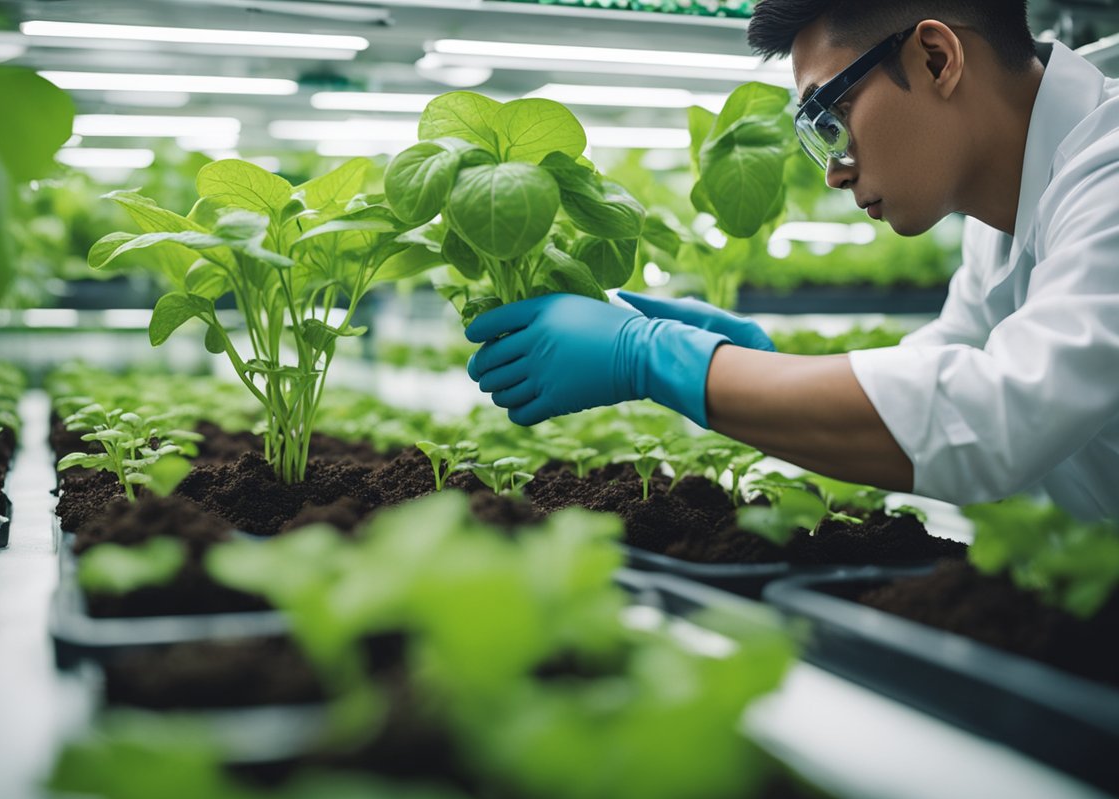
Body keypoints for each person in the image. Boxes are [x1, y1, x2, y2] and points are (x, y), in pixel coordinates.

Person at [464, 0, 1119, 521]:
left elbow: (995, 416)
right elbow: (934, 378)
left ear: (936, 57)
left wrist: (657, 358)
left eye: (828, 115)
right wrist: (767, 370)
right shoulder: (999, 220)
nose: (834, 171)